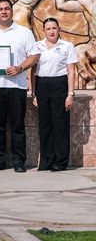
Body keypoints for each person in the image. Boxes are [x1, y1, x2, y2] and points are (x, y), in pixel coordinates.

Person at [0, 0, 40, 173]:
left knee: (17, 125)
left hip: (16, 85)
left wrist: (20, 68)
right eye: (0, 9)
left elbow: (34, 55)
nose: (4, 12)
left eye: (6, 9)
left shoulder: (24, 32)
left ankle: (19, 161)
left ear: (11, 11)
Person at [32, 17, 77, 172]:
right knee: (45, 125)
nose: (51, 31)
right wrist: (34, 93)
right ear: (44, 31)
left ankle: (60, 161)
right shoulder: (37, 46)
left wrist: (70, 94)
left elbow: (71, 71)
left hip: (59, 85)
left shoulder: (67, 46)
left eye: (54, 28)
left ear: (59, 29)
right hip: (42, 85)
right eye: (48, 28)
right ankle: (46, 160)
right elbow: (33, 70)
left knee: (60, 124)